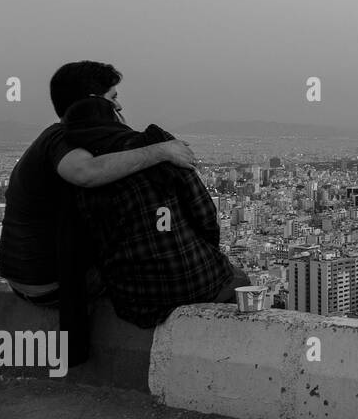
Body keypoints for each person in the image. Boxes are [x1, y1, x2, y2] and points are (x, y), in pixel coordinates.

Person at [0, 62, 198, 306]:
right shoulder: (62, 138)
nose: (119, 106)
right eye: (113, 97)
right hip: (50, 282)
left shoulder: (59, 138)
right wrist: (161, 151)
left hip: (31, 277)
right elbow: (85, 172)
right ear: (94, 102)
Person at [60, 95, 245, 329]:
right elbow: (205, 213)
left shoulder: (83, 176)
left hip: (138, 299)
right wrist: (204, 255)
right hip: (197, 279)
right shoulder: (159, 144)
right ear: (114, 118)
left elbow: (99, 241)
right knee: (241, 282)